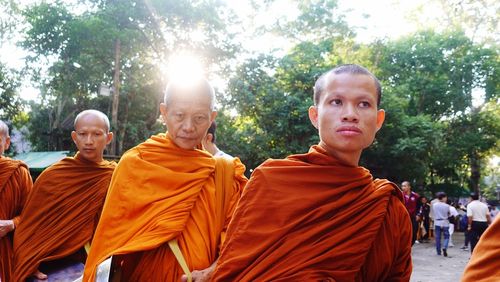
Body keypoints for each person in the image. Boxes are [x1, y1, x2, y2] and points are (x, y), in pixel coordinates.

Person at [212, 64, 412, 281]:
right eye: (336, 102)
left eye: (363, 104)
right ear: (315, 115)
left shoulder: (387, 209)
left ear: (378, 120)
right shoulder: (271, 181)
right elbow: (235, 266)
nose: (350, 114)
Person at [82, 78, 247, 281]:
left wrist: (212, 270)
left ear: (212, 117)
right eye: (179, 115)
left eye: (199, 118)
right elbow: (111, 239)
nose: (188, 126)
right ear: (164, 112)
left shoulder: (224, 174)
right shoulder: (137, 163)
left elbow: (236, 238)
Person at [12, 110, 116, 281]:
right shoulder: (53, 176)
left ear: (108, 138)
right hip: (54, 267)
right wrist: (28, 261)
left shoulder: (115, 176)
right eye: (83, 134)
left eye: (97, 134)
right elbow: (28, 226)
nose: (89, 141)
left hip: (99, 263)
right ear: (74, 137)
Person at [0, 120, 33, 282]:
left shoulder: (18, 173)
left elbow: (31, 215)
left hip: (6, 254)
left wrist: (11, 224)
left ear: (6, 143)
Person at [461, 215, 500, 281]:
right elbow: (488, 215)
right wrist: (489, 223)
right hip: (483, 223)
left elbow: (470, 216)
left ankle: (473, 254)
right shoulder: (485, 206)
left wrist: (469, 225)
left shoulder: (471, 206)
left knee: (474, 241)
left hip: (475, 223)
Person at [432, 192, 450, 256]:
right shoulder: (447, 206)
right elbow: (449, 214)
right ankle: (444, 247)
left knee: (438, 238)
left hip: (437, 222)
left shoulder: (434, 205)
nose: (446, 199)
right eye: (445, 197)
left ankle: (438, 252)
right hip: (445, 222)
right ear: (443, 198)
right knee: (446, 236)